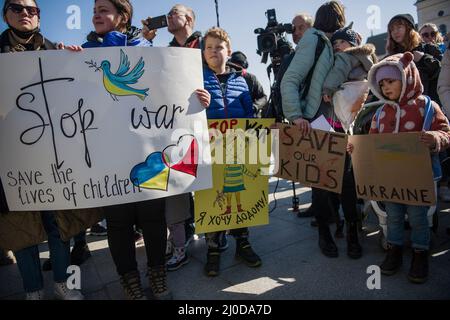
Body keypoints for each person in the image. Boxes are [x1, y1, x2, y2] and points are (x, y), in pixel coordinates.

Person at [0, 0, 100, 300]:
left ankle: (62, 283)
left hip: (55, 154)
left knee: (60, 223)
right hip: (11, 158)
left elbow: (83, 92)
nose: (25, 13)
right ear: (5, 15)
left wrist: (77, 64)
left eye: (32, 9)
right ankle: (32, 290)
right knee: (21, 229)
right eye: (17, 7)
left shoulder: (58, 50)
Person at [281, 1, 360, 259]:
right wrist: (295, 115)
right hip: (318, 120)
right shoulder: (314, 39)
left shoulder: (341, 41)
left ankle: (351, 232)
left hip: (341, 119)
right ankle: (325, 233)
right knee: (322, 181)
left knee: (347, 181)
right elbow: (290, 79)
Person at [363, 52, 450, 283]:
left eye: (390, 81)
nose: (386, 87)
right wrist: (359, 151)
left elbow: (446, 132)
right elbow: (372, 142)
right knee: (393, 216)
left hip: (419, 176)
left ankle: (420, 253)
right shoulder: (380, 113)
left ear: (408, 77)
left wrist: (435, 138)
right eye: (381, 83)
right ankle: (395, 250)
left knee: (419, 217)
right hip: (391, 179)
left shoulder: (427, 106)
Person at [201, 27, 261, 277]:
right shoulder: (196, 80)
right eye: (209, 48)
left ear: (229, 50)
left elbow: (250, 111)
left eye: (220, 47)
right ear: (203, 53)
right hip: (209, 149)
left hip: (239, 146)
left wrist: (253, 123)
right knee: (213, 196)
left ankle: (243, 242)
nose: (215, 52)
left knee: (240, 194)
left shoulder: (241, 80)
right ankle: (213, 248)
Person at [386, 14, 442, 103]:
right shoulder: (390, 58)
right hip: (403, 109)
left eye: (399, 27)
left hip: (430, 105)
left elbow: (442, 72)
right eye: (392, 29)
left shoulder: (428, 49)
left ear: (409, 28)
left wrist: (424, 58)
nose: (395, 32)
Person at [229, 51, 267, 116]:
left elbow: (263, 97)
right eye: (234, 67)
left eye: (239, 68)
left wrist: (255, 106)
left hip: (250, 118)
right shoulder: (225, 77)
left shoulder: (252, 78)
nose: (237, 70)